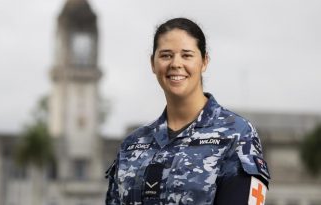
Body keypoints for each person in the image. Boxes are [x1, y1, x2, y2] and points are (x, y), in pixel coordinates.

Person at [105, 17, 270, 205]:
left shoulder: (237, 135)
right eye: (166, 55)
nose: (175, 63)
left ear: (204, 61)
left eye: (187, 55)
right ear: (153, 63)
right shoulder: (132, 144)